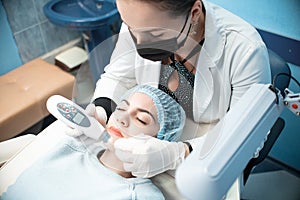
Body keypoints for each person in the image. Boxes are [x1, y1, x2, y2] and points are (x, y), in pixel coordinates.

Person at [85, 0, 271, 178]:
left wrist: (181, 153)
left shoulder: (245, 50)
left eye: (156, 35)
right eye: (132, 29)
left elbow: (249, 138)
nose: (140, 43)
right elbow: (118, 77)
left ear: (194, 13)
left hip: (206, 147)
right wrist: (101, 109)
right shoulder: (141, 18)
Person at [0, 85, 185, 200]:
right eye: (121, 108)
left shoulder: (139, 196)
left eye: (142, 120)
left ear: (159, 141)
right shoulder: (73, 143)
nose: (122, 119)